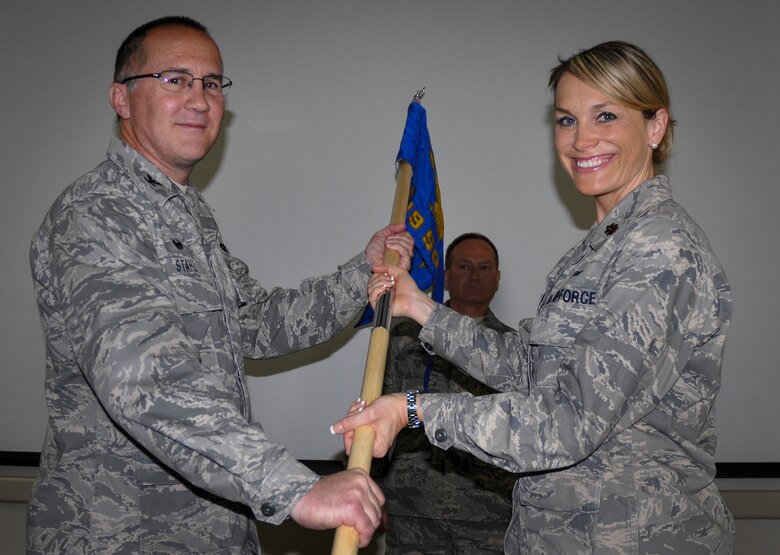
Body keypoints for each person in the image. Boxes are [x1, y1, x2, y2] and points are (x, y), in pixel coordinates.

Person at [28, 16, 414, 554]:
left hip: (213, 528)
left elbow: (257, 322)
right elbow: (147, 383)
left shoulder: (188, 218)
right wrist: (296, 488)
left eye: (211, 83)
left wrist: (362, 272)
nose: (200, 99)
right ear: (121, 97)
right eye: (174, 79)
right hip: (124, 534)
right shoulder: (97, 214)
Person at [333, 41, 735, 554]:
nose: (582, 139)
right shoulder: (600, 247)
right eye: (566, 120)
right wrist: (421, 307)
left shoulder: (660, 250)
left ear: (655, 126)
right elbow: (533, 368)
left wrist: (413, 410)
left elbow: (570, 419)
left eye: (605, 116)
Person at [378, 232, 516, 554]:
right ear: (447, 274)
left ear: (497, 279)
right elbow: (376, 409)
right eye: (464, 266)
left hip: (488, 511)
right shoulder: (405, 338)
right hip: (414, 508)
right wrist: (370, 484)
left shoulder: (513, 352)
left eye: (484, 269)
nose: (474, 276)